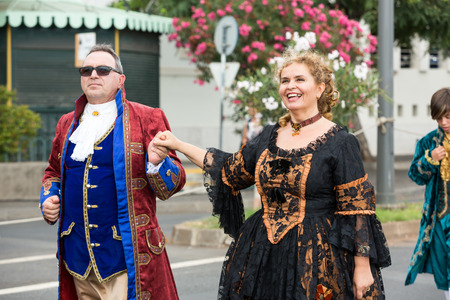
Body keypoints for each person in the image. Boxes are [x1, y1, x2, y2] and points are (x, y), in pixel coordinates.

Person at [152, 48, 391, 299]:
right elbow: (228, 170)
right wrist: (178, 144)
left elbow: (357, 208)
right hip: (265, 255)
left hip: (318, 257)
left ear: (320, 88)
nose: (290, 86)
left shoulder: (341, 141)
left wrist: (362, 267)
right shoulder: (268, 136)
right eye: (285, 80)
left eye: (300, 79)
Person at [39, 44, 186, 300]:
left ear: (120, 79)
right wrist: (48, 198)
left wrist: (156, 163)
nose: (93, 75)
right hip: (77, 260)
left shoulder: (147, 118)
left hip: (126, 262)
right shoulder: (66, 124)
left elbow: (174, 183)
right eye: (86, 70)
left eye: (103, 70)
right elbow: (53, 172)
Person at [405, 87, 450, 299]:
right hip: (438, 217)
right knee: (443, 266)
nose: (443, 123)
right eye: (439, 118)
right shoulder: (427, 141)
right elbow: (415, 175)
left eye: (448, 117)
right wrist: (429, 159)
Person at [241, 105, 263, 209]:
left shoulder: (263, 121)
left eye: (252, 108)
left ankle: (258, 206)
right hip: (251, 152)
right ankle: (255, 208)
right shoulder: (248, 122)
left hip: (261, 152)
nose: (251, 110)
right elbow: (244, 138)